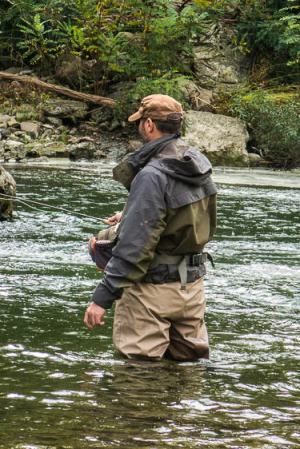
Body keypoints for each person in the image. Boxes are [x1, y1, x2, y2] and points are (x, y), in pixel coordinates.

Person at [83, 94, 217, 361]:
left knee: (138, 378)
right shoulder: (195, 163)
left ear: (148, 125)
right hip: (191, 288)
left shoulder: (152, 175)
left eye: (140, 122)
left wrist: (102, 298)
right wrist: (131, 214)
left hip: (150, 293)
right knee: (188, 373)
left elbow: (134, 249)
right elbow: (188, 218)